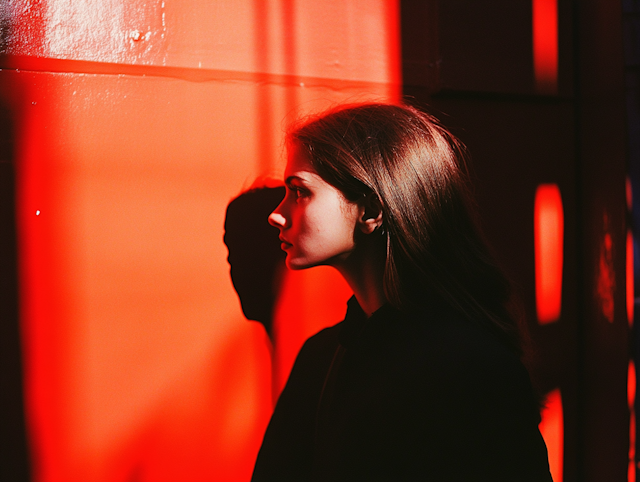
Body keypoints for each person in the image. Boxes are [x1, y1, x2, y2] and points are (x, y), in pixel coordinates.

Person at [252, 103, 552, 481]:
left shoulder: (472, 366)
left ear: (371, 210)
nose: (277, 214)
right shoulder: (321, 359)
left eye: (299, 192)